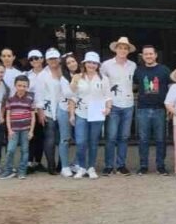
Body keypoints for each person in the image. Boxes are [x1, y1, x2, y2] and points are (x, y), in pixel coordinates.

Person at [70, 52, 111, 180]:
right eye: (89, 62)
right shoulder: (78, 77)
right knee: (81, 141)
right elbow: (73, 97)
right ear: (84, 63)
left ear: (98, 65)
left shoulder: (103, 78)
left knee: (93, 142)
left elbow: (107, 96)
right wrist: (71, 114)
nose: (91, 65)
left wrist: (108, 108)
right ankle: (81, 167)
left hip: (96, 114)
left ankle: (91, 167)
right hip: (81, 113)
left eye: (94, 63)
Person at [100, 36, 137, 176]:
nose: (122, 50)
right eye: (120, 47)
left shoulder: (133, 65)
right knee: (111, 136)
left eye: (125, 48)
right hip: (113, 104)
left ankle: (121, 165)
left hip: (128, 104)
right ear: (116, 49)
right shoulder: (106, 65)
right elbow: (102, 84)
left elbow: (133, 83)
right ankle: (109, 165)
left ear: (128, 51)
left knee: (124, 136)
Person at [133, 45, 171, 176]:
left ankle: (161, 166)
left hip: (160, 109)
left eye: (151, 54)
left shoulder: (164, 70)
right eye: (146, 54)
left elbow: (171, 88)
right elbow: (134, 87)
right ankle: (143, 165)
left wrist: (170, 106)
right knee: (143, 139)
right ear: (142, 56)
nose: (148, 56)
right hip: (143, 108)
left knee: (161, 139)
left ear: (155, 55)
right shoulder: (138, 71)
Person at [36, 48, 66, 176]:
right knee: (50, 138)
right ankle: (51, 165)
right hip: (49, 109)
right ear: (46, 60)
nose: (53, 61)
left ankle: (62, 164)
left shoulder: (64, 71)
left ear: (59, 59)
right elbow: (39, 94)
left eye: (55, 58)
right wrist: (40, 111)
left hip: (64, 108)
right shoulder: (42, 75)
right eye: (50, 59)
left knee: (63, 138)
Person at [0, 75, 36, 179]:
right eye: (19, 85)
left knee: (25, 150)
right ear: (15, 86)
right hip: (14, 130)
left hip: (26, 129)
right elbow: (7, 116)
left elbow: (33, 116)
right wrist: (9, 130)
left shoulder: (30, 99)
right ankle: (8, 170)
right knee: (10, 150)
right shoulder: (10, 99)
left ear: (27, 87)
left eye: (24, 86)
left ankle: (22, 171)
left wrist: (31, 131)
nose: (21, 88)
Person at [25, 49, 48, 173]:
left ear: (42, 59)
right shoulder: (27, 75)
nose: (34, 61)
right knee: (31, 137)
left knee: (42, 137)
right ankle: (29, 162)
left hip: (47, 110)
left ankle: (38, 162)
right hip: (32, 110)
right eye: (31, 59)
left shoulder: (49, 73)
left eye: (36, 58)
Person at [58, 53, 80, 173]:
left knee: (80, 139)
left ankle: (76, 163)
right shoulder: (63, 78)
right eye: (68, 63)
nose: (72, 64)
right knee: (65, 139)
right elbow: (67, 94)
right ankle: (65, 166)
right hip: (64, 110)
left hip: (80, 110)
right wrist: (74, 81)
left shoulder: (84, 75)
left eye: (73, 61)